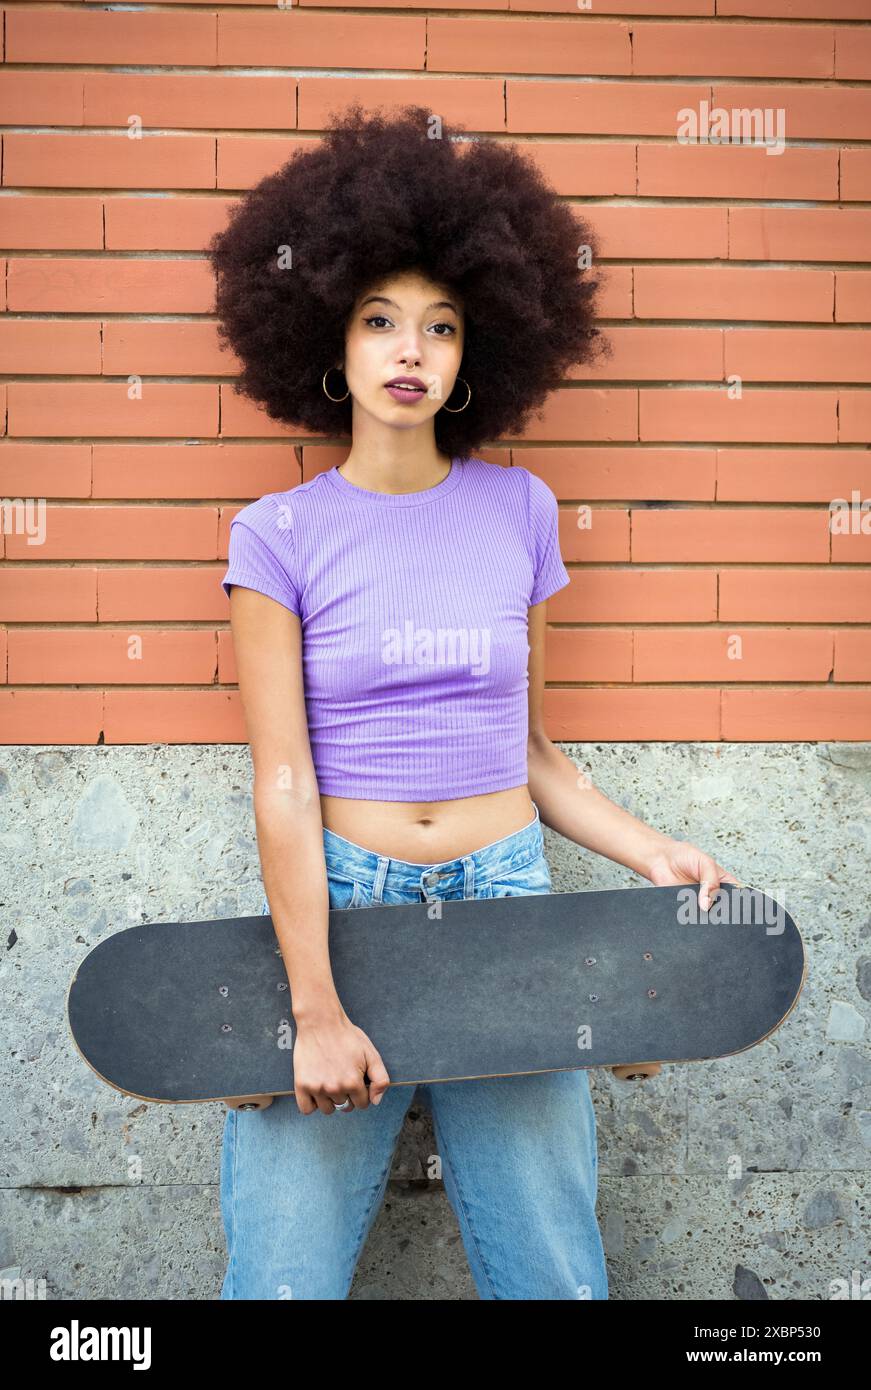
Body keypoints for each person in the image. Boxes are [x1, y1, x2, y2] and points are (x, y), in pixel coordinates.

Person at [209, 104, 738, 1300]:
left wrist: (652, 851)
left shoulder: (522, 510)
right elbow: (284, 779)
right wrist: (313, 1001)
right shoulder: (275, 535)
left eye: (441, 327)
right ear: (326, 341)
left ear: (475, 353)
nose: (411, 349)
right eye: (381, 320)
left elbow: (532, 749)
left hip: (508, 904)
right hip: (344, 908)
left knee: (553, 1272)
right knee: (277, 1280)